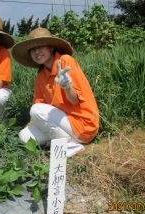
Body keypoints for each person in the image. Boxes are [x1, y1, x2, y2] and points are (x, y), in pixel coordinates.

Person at [11, 28, 99, 156]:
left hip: (82, 124)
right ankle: (63, 140)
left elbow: (74, 100)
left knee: (36, 110)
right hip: (62, 123)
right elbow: (39, 103)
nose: (36, 52)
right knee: (25, 136)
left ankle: (70, 146)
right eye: (33, 50)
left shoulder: (65, 61)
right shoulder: (41, 75)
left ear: (51, 48)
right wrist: (32, 126)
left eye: (40, 47)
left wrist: (67, 86)